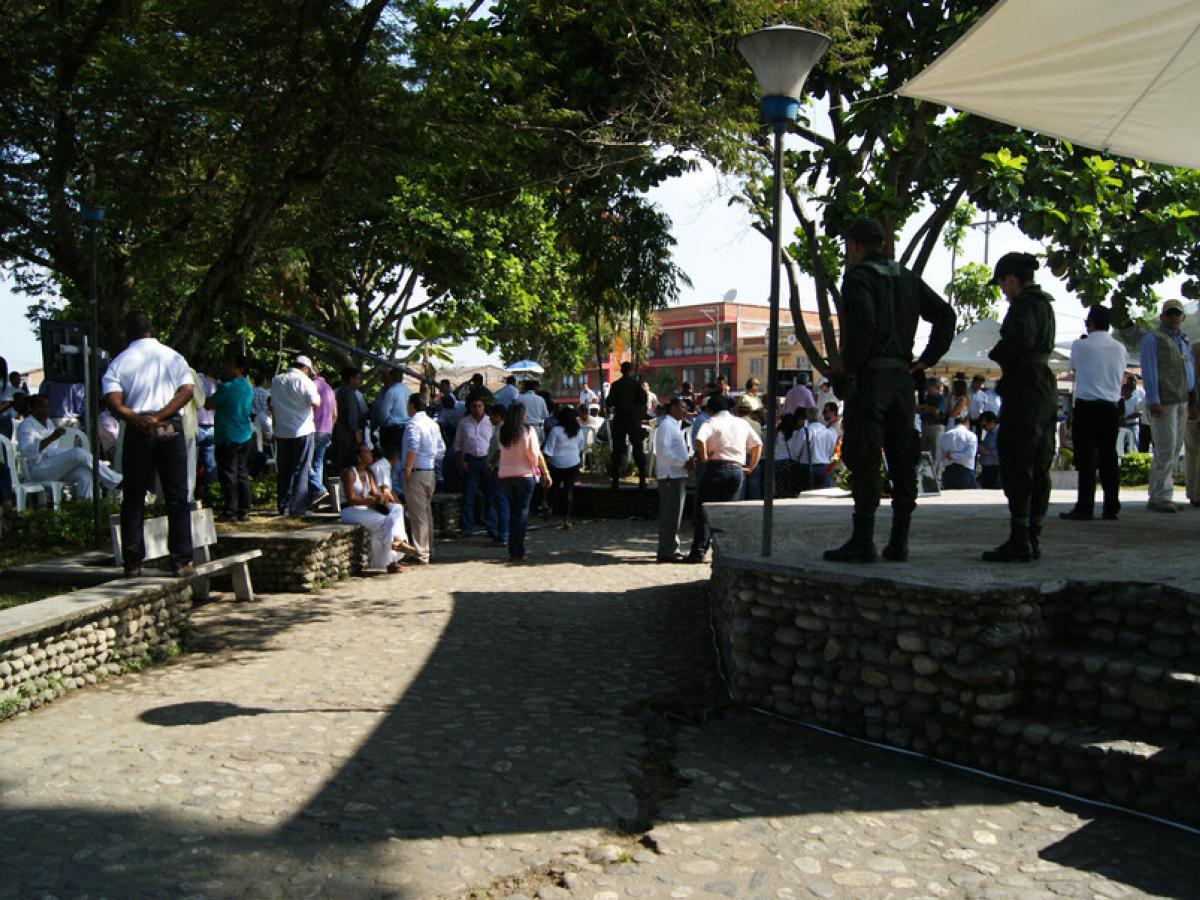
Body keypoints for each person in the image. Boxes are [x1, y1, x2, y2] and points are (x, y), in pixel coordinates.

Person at [823, 218, 955, 563]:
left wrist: (849, 368)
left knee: (864, 457)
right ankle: (899, 541)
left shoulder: (858, 277)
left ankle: (863, 540)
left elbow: (863, 322)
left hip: (871, 379)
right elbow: (945, 316)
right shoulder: (908, 277)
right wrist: (925, 360)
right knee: (902, 459)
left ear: (854, 245)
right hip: (901, 381)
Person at [103, 310, 195, 577]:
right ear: (150, 328)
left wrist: (139, 419)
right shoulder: (172, 356)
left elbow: (113, 401)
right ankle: (182, 561)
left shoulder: (119, 362)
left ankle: (132, 563)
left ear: (126, 331)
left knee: (134, 496)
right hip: (168, 426)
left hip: (138, 429)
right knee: (177, 495)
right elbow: (187, 390)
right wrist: (160, 416)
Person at [982, 252, 1057, 562]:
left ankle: (1020, 538)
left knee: (1018, 460)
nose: (1003, 291)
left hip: (1025, 386)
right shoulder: (1045, 305)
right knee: (1039, 463)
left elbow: (1018, 339)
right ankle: (1032, 535)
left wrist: (999, 353)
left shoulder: (1024, 305)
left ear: (1011, 279)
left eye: (1002, 284)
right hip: (1042, 387)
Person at [1061, 306, 1126, 520]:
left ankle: (1085, 505)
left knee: (1086, 457)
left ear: (1090, 323)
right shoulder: (1120, 348)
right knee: (1109, 456)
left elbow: (1075, 369)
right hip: (1110, 406)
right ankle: (1111, 505)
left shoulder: (1080, 345)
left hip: (1087, 405)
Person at [686, 394, 762, 563]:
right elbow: (757, 445)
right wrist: (751, 467)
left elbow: (699, 439)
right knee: (727, 512)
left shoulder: (711, 422)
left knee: (704, 510)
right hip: (736, 469)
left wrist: (704, 458)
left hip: (716, 467)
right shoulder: (741, 423)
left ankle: (698, 552)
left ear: (711, 409)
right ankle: (725, 551)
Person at [1138, 299, 1196, 512]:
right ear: (1162, 316)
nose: (1173, 317)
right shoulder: (1153, 338)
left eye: (1177, 313)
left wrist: (1192, 402)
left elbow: (1190, 374)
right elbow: (1149, 370)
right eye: (1169, 313)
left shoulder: (1183, 341)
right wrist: (1154, 400)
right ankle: (1159, 496)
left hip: (1182, 400)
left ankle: (1164, 493)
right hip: (1165, 401)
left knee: (1173, 449)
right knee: (1164, 448)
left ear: (1183, 317)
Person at [17, 394, 123, 500]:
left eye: (47, 406)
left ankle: (85, 508)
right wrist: (51, 437)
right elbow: (26, 452)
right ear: (32, 408)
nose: (46, 410)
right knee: (78, 453)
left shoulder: (49, 423)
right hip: (37, 469)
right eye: (42, 406)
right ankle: (116, 480)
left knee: (85, 473)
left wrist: (65, 455)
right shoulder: (26, 425)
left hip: (53, 466)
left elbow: (54, 449)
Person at [339, 442, 415, 573]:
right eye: (367, 452)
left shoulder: (368, 475)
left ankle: (396, 542)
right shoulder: (349, 473)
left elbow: (376, 493)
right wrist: (374, 500)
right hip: (350, 510)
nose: (371, 454)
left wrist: (383, 498)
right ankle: (393, 557)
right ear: (358, 456)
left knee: (397, 509)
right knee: (387, 523)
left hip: (364, 509)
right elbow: (351, 499)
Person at [496, 403, 551, 561]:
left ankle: (512, 548)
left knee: (513, 511)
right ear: (522, 415)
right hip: (524, 475)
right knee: (521, 513)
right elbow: (534, 452)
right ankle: (517, 550)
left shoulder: (502, 431)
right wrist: (540, 470)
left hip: (505, 475)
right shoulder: (528, 431)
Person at [206, 353, 254, 523]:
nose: (227, 368)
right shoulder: (248, 386)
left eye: (231, 365)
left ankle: (230, 510)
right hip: (244, 434)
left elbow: (209, 404)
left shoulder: (227, 387)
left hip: (228, 435)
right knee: (241, 473)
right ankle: (244, 509)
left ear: (240, 369)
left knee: (228, 474)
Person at [271, 355, 320, 517]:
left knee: (284, 469)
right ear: (305, 368)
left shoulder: (277, 380)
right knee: (301, 469)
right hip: (302, 430)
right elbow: (315, 402)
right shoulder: (305, 381)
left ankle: (283, 505)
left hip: (282, 431)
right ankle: (298, 508)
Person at [401, 394, 444, 564]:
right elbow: (441, 448)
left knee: (418, 514)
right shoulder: (433, 424)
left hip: (417, 471)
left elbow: (413, 445)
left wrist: (408, 467)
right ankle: (429, 549)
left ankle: (421, 553)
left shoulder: (413, 424)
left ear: (412, 406)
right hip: (430, 470)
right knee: (426, 512)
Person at [653, 397, 693, 561]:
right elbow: (664, 452)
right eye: (683, 407)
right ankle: (666, 551)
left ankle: (671, 547)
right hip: (671, 475)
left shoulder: (673, 425)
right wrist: (684, 463)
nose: (685, 411)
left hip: (677, 474)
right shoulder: (666, 426)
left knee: (675, 514)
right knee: (670, 514)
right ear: (673, 407)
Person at [454, 397, 494, 537]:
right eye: (474, 406)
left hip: (486, 461)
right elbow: (458, 445)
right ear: (470, 408)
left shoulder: (490, 422)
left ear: (483, 407)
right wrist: (461, 462)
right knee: (468, 496)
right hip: (470, 460)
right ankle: (467, 528)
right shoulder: (464, 422)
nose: (477, 409)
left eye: (479, 406)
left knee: (489, 495)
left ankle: (491, 526)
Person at [605, 361, 648, 489]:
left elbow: (609, 402)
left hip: (620, 420)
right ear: (630, 371)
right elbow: (643, 400)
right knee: (638, 449)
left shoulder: (616, 385)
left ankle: (615, 479)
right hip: (633, 420)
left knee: (618, 450)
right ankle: (642, 478)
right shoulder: (635, 385)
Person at [543, 405, 587, 529]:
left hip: (556, 463)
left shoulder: (555, 430)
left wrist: (544, 465)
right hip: (573, 462)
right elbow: (580, 448)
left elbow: (548, 450)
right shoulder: (578, 431)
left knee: (554, 487)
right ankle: (566, 519)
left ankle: (549, 508)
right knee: (569, 491)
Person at [307, 364, 337, 508]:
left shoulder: (312, 386)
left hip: (313, 429)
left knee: (305, 462)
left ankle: (318, 489)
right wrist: (330, 427)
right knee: (317, 463)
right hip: (327, 430)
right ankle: (317, 496)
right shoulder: (329, 388)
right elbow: (335, 413)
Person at [792, 408, 839, 490]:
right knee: (823, 497)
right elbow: (832, 451)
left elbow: (795, 452)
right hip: (825, 467)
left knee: (806, 496)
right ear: (819, 416)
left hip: (807, 468)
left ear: (808, 417)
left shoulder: (804, 431)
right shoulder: (829, 432)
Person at [484, 404, 510, 545]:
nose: (490, 419)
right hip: (503, 468)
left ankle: (503, 534)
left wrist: (492, 464)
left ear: (498, 415)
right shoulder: (502, 428)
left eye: (491, 416)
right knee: (500, 501)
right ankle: (499, 530)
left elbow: (500, 450)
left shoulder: (501, 428)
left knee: (501, 502)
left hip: (499, 467)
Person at [372, 368, 412, 456]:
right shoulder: (408, 391)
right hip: (406, 428)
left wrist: (381, 423)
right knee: (401, 456)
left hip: (392, 430)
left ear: (390, 378)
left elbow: (383, 412)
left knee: (391, 456)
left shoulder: (391, 391)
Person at [332, 367, 364, 473]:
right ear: (352, 379)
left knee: (342, 459)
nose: (360, 382)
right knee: (347, 461)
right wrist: (356, 432)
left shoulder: (342, 391)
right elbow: (352, 415)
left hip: (342, 431)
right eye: (358, 379)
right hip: (347, 432)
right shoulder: (348, 393)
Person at [938, 413, 978, 489]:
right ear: (967, 422)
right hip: (966, 471)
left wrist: (951, 456)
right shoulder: (971, 436)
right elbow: (970, 455)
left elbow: (940, 456)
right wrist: (954, 455)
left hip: (949, 471)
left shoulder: (944, 435)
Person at [916, 377, 947, 459]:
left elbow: (937, 411)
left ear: (934, 386)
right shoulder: (926, 398)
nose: (926, 388)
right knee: (923, 452)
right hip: (925, 425)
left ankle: (936, 471)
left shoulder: (941, 398)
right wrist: (925, 408)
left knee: (936, 452)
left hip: (936, 426)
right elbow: (919, 410)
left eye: (928, 386)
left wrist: (926, 407)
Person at [1116, 374, 1143, 457]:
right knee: (1120, 447)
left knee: (1133, 447)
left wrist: (1126, 418)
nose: (1122, 392)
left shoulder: (1136, 398)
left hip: (1133, 426)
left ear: (1128, 390)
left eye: (1124, 391)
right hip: (1123, 426)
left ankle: (1134, 462)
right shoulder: (1120, 401)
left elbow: (1140, 413)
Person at [978, 411, 1002, 489]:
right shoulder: (988, 433)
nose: (984, 429)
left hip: (995, 468)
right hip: (986, 467)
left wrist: (987, 451)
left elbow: (1001, 451)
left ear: (992, 422)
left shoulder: (999, 432)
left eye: (985, 426)